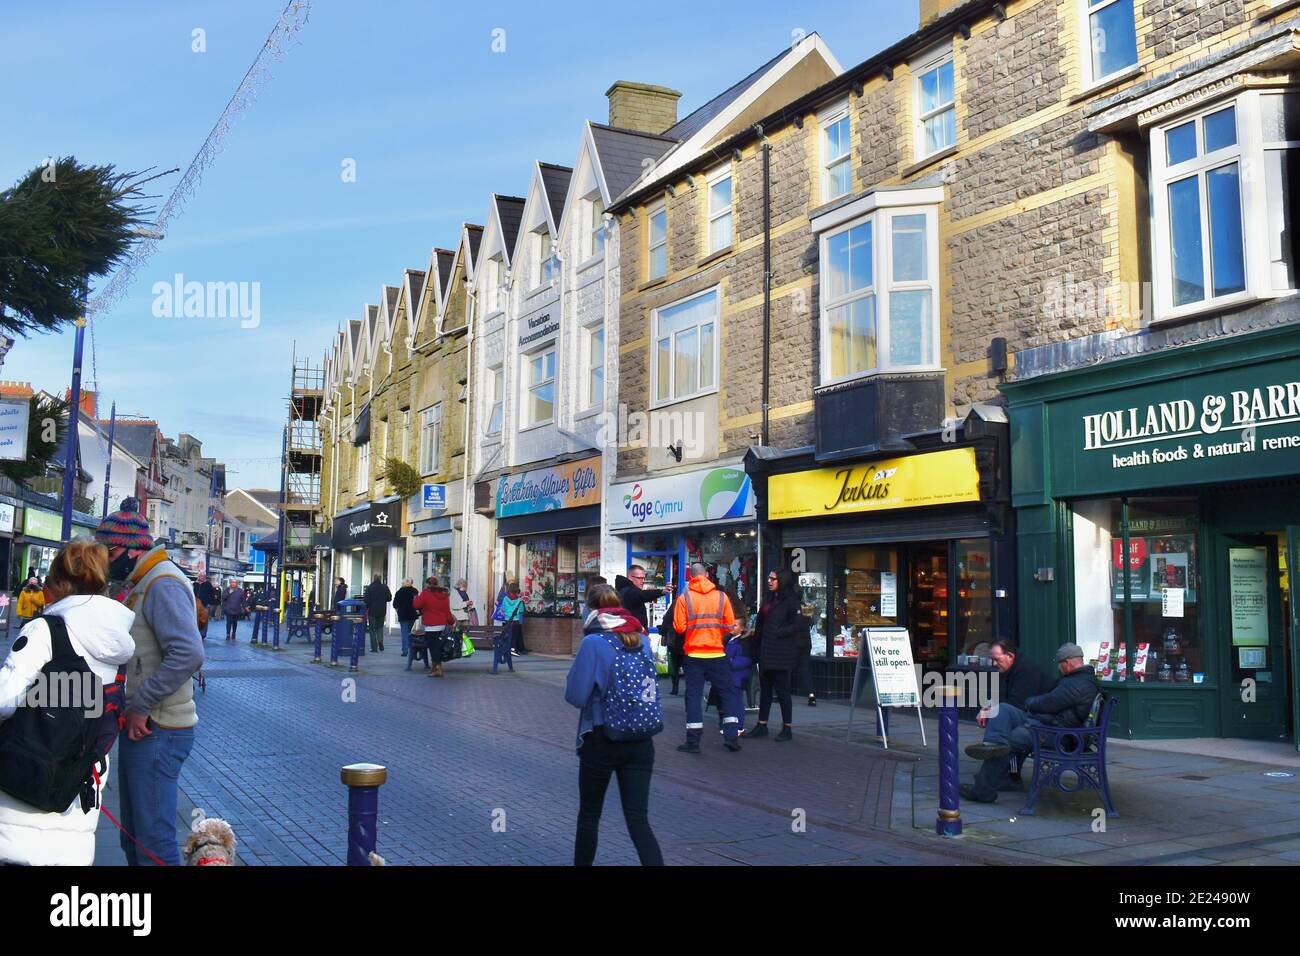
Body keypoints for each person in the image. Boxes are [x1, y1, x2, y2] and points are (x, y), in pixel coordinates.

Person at [0, 539, 136, 865]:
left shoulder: (46, 631)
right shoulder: (117, 643)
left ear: (58, 583)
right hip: (80, 787)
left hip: (23, 787)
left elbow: (4, 699)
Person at [96, 504, 204, 866]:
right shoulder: (143, 581)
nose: (107, 560)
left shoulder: (162, 582)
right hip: (147, 726)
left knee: (153, 840)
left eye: (110, 552)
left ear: (131, 548)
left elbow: (188, 653)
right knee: (136, 837)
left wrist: (141, 704)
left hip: (158, 728)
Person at [564, 583, 664, 866]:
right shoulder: (642, 639)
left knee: (589, 816)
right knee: (638, 819)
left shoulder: (594, 643)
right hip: (641, 739)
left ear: (591, 609)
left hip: (601, 739)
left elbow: (576, 695)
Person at [961, 642, 1100, 803]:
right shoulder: (1077, 680)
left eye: (1059, 665)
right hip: (1048, 725)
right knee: (1003, 710)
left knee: (1011, 737)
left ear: (1067, 663)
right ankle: (991, 744)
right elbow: (1052, 702)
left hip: (1058, 735)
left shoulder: (1077, 684)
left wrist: (1030, 702)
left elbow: (1049, 702)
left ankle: (983, 790)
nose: (1059, 668)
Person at [674, 561, 743, 753]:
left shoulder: (684, 598)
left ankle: (693, 742)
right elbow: (730, 625)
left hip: (694, 654)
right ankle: (731, 737)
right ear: (707, 575)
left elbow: (679, 627)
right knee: (727, 694)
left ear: (691, 577)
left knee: (694, 696)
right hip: (717, 653)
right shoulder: (721, 597)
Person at [748, 568, 804, 742]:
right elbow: (761, 624)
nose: (769, 581)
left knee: (782, 692)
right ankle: (762, 724)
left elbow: (798, 625)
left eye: (773, 578)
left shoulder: (791, 601)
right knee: (765, 690)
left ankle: (787, 727)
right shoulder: (769, 599)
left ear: (782, 580)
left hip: (781, 653)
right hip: (765, 651)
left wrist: (778, 632)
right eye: (769, 578)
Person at [412, 577, 454, 676]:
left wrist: (417, 597)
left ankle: (437, 669)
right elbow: (447, 612)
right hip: (442, 625)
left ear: (428, 584)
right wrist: (451, 622)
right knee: (437, 647)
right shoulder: (444, 595)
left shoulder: (426, 593)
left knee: (433, 648)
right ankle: (436, 668)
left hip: (431, 626)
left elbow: (416, 605)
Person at [614, 564, 673, 632]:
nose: (643, 581)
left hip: (635, 633)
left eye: (644, 578)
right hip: (633, 635)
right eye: (640, 578)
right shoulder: (627, 591)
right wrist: (661, 591)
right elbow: (641, 595)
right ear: (630, 577)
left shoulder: (627, 589)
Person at [492, 583, 524, 674]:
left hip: (507, 622)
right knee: (513, 639)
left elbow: (503, 610)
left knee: (507, 638)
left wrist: (506, 613)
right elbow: (521, 611)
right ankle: (512, 650)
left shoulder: (505, 599)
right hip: (516, 622)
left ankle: (508, 651)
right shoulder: (519, 600)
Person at [362, 574, 392, 653]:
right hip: (382, 611)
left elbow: (366, 601)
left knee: (372, 629)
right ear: (380, 579)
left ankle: (374, 647)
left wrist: (366, 608)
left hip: (372, 611)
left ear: (373, 579)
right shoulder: (384, 587)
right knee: (380, 628)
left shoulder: (370, 588)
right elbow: (389, 598)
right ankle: (380, 641)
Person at [393, 578, 419, 659]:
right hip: (412, 614)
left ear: (403, 583)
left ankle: (405, 650)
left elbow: (395, 604)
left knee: (404, 632)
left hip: (403, 614)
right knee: (409, 632)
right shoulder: (415, 591)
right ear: (411, 583)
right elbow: (417, 602)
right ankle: (410, 649)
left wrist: (398, 610)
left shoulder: (399, 592)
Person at [193, 572, 218, 639]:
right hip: (195, 605)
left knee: (204, 620)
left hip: (205, 605)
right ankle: (195, 633)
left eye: (204, 576)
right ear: (198, 576)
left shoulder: (208, 584)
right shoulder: (194, 584)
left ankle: (203, 634)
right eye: (201, 576)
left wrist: (209, 603)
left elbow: (212, 595)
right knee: (195, 619)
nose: (202, 577)